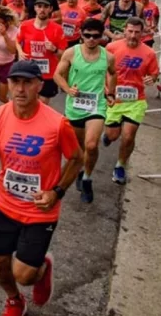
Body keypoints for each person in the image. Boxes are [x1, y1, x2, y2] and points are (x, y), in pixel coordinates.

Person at [0, 61, 83, 316]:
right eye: (14, 82)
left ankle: (41, 270)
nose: (20, 89)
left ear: (39, 85)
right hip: (4, 203)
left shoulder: (57, 123)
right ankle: (14, 299)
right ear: (8, 84)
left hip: (41, 208)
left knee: (25, 275)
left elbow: (76, 158)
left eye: (27, 83)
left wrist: (56, 192)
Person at [54, 18, 117, 203]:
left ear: (101, 37)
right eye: (87, 35)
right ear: (81, 35)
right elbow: (58, 74)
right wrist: (67, 89)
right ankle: (80, 171)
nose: (91, 39)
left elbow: (113, 73)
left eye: (95, 36)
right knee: (78, 149)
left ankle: (88, 178)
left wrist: (111, 92)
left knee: (91, 145)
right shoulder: (71, 53)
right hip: (75, 106)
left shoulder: (108, 56)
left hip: (96, 106)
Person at [103, 17, 160, 184]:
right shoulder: (112, 48)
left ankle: (120, 166)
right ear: (125, 31)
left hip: (136, 100)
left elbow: (154, 74)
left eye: (137, 32)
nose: (133, 35)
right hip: (115, 98)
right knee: (113, 135)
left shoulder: (148, 53)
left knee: (128, 136)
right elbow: (102, 70)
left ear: (142, 33)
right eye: (130, 31)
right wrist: (106, 89)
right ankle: (109, 136)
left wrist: (152, 79)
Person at [16, 0, 67, 104]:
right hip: (29, 71)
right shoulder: (25, 25)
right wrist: (20, 52)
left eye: (45, 7)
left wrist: (54, 49)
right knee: (29, 101)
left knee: (43, 103)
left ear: (50, 9)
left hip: (48, 74)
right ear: (35, 8)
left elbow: (63, 54)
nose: (42, 9)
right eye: (39, 6)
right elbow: (17, 41)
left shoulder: (57, 29)